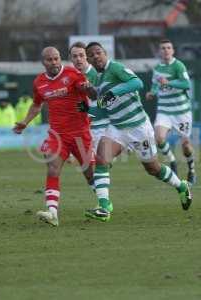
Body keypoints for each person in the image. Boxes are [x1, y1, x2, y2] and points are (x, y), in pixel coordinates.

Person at [82, 41, 192, 222]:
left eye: (98, 53)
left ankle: (181, 186)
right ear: (89, 60)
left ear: (105, 54)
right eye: (92, 55)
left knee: (153, 168)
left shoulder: (115, 68)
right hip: (117, 127)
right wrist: (87, 110)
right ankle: (104, 207)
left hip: (139, 127)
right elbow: (104, 110)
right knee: (101, 160)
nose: (96, 57)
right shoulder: (97, 80)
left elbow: (137, 82)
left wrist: (114, 91)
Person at [13, 46, 93, 227]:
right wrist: (25, 122)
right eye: (50, 60)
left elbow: (88, 92)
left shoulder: (73, 74)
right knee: (52, 168)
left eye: (56, 58)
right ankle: (52, 212)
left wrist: (88, 88)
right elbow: (36, 105)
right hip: (57, 135)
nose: (54, 62)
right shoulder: (39, 82)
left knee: (91, 175)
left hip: (81, 134)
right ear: (43, 62)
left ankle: (104, 203)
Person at [146, 39, 196, 185]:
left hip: (181, 111)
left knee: (186, 145)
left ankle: (191, 170)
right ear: (159, 52)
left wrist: (169, 82)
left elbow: (186, 84)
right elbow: (156, 85)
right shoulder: (157, 69)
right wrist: (152, 92)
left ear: (172, 51)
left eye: (168, 48)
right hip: (164, 110)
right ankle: (172, 161)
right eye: (163, 48)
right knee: (159, 138)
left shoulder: (178, 65)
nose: (166, 50)